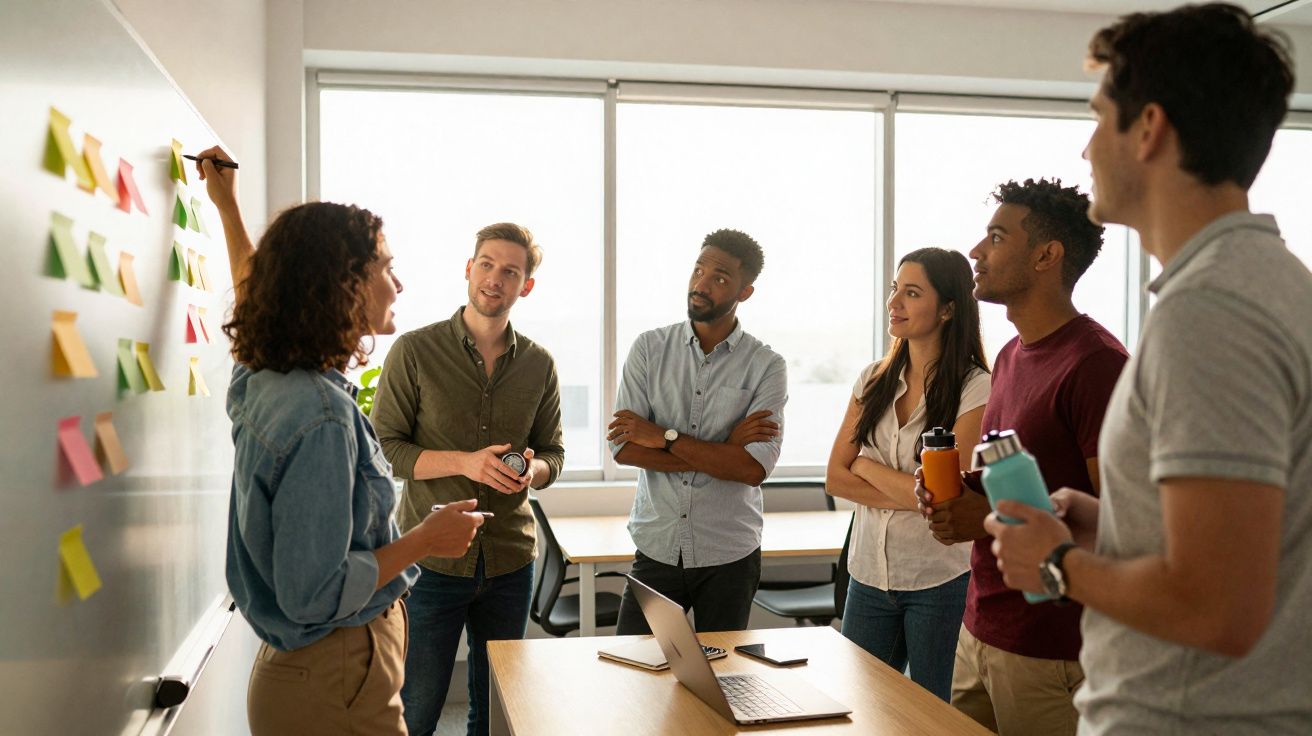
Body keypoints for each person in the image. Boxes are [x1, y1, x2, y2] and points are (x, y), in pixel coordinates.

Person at [986, 5, 1311, 734]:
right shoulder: (1268, 284)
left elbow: (1217, 606)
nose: (1085, 148)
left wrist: (1057, 562)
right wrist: (1116, 524)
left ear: (1150, 129)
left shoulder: (1215, 312)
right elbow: (1252, 544)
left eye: (1100, 117)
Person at [197, 145, 486, 736]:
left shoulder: (268, 374)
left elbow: (256, 299)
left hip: (313, 676)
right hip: (336, 677)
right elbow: (315, 592)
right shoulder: (322, 416)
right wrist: (426, 538)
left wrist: (227, 208)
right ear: (343, 284)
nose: (397, 283)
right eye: (385, 267)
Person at [916, 178, 1128, 736]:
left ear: (1045, 255)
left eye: (996, 237)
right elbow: (1005, 478)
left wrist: (979, 519)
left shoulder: (1098, 366)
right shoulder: (1010, 357)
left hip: (1052, 648)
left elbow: (1122, 526)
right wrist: (956, 490)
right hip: (981, 626)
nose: (976, 252)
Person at [370, 224, 565, 736]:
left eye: (510, 271)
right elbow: (385, 450)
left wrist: (533, 468)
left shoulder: (540, 365)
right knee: (417, 706)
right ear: (468, 268)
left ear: (526, 286)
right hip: (428, 564)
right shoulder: (414, 351)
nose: (494, 279)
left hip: (510, 561)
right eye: (486, 264)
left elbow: (554, 455)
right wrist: (466, 463)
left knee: (498, 713)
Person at [825, 247, 990, 702]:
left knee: (936, 714)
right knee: (861, 708)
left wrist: (864, 463)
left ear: (948, 308)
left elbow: (946, 496)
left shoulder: (976, 386)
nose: (894, 302)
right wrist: (916, 489)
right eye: (895, 289)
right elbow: (835, 479)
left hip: (939, 580)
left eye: (911, 292)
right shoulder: (873, 379)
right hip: (868, 576)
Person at [607, 228, 787, 635]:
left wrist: (664, 436)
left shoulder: (766, 365)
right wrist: (723, 449)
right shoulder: (649, 349)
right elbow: (624, 449)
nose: (701, 285)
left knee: (723, 681)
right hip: (656, 546)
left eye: (720, 277)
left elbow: (752, 470)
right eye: (698, 270)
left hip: (729, 554)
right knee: (632, 672)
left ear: (745, 292)